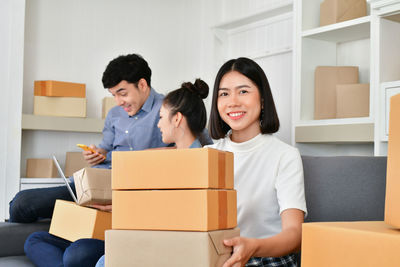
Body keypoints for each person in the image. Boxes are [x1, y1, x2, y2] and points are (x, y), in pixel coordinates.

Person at [21, 53, 211, 267]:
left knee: (77, 254)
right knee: (29, 224)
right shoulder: (115, 115)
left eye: (122, 93)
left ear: (142, 84)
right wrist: (96, 154)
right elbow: (106, 148)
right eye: (114, 95)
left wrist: (124, 203)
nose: (118, 101)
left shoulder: (172, 116)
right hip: (103, 180)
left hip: (128, 194)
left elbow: (197, 138)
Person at [95, 78, 210, 267]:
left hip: (175, 243)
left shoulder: (196, 162)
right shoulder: (176, 156)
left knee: (105, 261)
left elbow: (177, 214)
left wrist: (126, 206)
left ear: (177, 119)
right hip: (158, 236)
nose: (158, 124)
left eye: (162, 117)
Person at [207, 57, 307, 267]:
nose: (233, 101)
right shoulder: (207, 155)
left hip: (268, 259)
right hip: (218, 259)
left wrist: (253, 246)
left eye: (243, 91)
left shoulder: (285, 155)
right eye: (224, 94)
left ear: (262, 100)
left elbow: (295, 235)